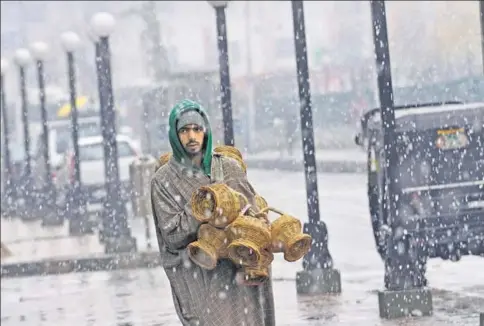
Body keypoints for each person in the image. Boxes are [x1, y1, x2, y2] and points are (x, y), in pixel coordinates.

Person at [151, 99, 275, 326]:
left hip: (240, 275)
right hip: (200, 277)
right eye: (184, 130)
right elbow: (172, 235)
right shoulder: (164, 180)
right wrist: (203, 208)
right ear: (174, 135)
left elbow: (256, 219)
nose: (191, 137)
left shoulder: (228, 168)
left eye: (197, 129)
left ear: (206, 132)